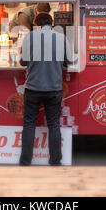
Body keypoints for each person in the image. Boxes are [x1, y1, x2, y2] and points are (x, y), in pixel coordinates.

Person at [19, 12, 72, 166]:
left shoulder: (29, 37)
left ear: (36, 24)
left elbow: (23, 62)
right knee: (54, 124)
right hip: (54, 88)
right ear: (51, 23)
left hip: (33, 88)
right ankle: (55, 161)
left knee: (29, 124)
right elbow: (68, 62)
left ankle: (25, 160)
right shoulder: (61, 38)